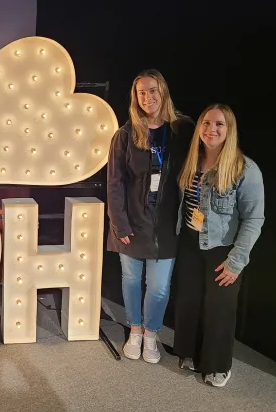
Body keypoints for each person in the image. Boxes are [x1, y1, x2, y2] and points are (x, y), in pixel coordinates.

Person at [107, 69, 194, 363]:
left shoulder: (182, 129)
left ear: (163, 92)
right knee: (132, 279)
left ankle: (151, 333)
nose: (147, 97)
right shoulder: (125, 134)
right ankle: (135, 330)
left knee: (158, 287)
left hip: (166, 223)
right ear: (135, 97)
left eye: (152, 90)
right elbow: (114, 183)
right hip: (131, 221)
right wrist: (119, 224)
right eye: (141, 93)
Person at [174, 104, 264, 387]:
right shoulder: (193, 160)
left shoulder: (244, 169)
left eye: (219, 124)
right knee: (190, 300)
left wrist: (236, 262)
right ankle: (190, 352)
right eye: (206, 123)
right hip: (190, 242)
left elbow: (254, 219)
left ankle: (217, 365)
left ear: (229, 130)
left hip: (222, 248)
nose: (211, 129)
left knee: (219, 308)